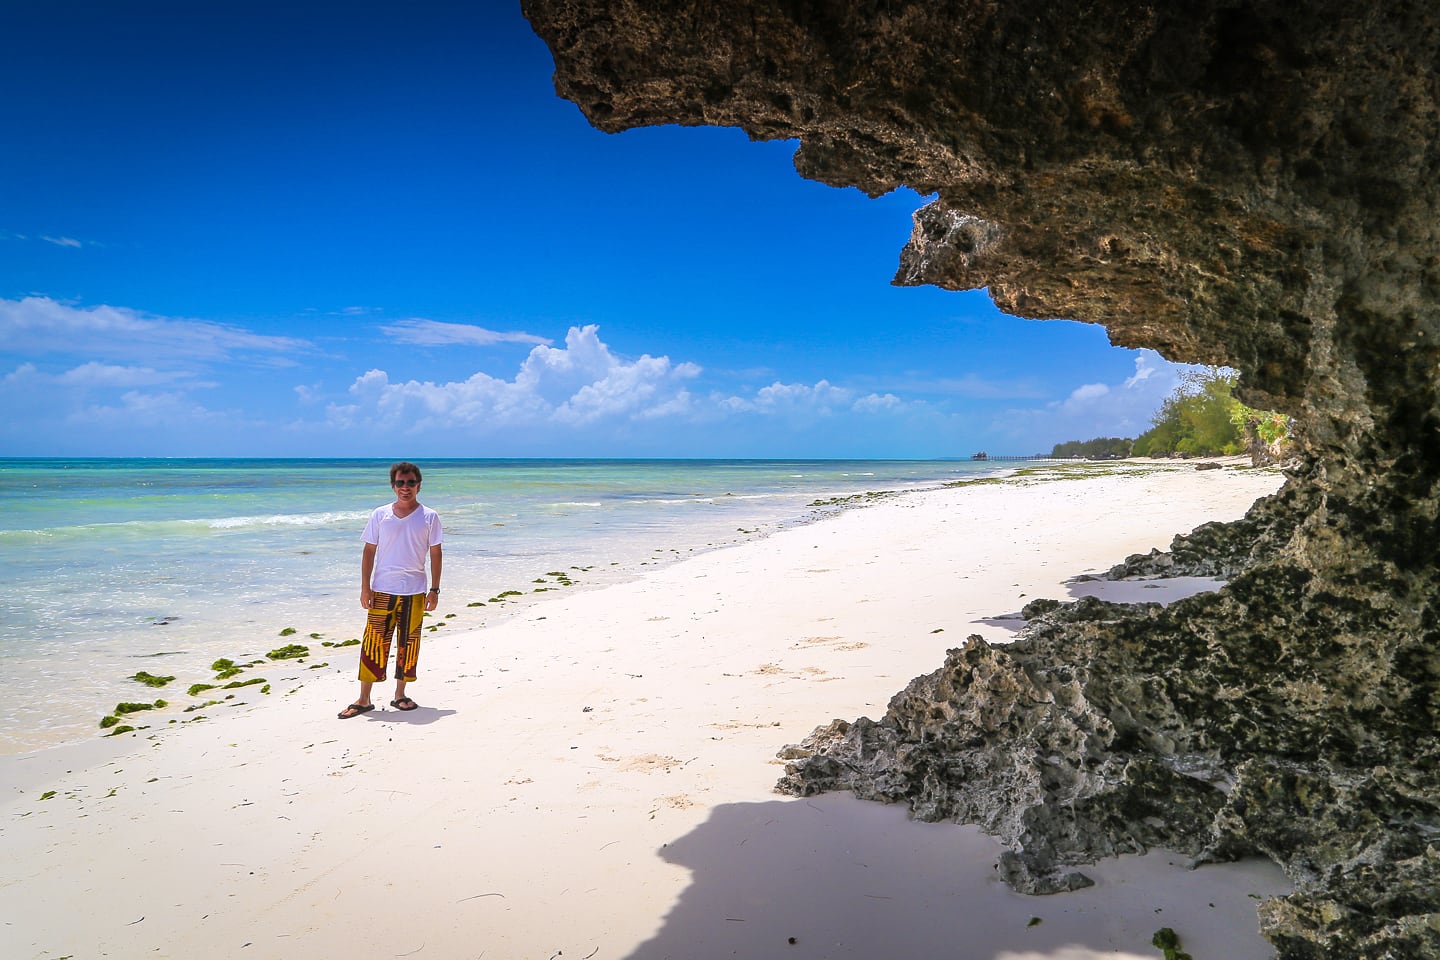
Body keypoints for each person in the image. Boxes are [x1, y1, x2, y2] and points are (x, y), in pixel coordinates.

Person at [338, 461, 443, 719]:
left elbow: (436, 553)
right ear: (393, 485)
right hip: (382, 589)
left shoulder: (429, 516)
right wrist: (365, 588)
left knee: (409, 643)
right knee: (373, 643)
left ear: (418, 485)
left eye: (410, 482)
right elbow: (369, 551)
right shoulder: (379, 514)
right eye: (400, 483)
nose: (405, 487)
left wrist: (435, 589)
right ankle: (364, 699)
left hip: (415, 591)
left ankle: (400, 694)